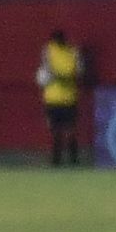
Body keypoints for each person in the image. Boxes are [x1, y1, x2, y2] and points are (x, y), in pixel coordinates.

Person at [38, 29, 82, 166]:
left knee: (66, 131)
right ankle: (61, 160)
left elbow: (78, 71)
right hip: (58, 98)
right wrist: (67, 77)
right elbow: (77, 71)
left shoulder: (71, 51)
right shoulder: (52, 51)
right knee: (59, 131)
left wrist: (61, 77)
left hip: (62, 97)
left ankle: (67, 160)